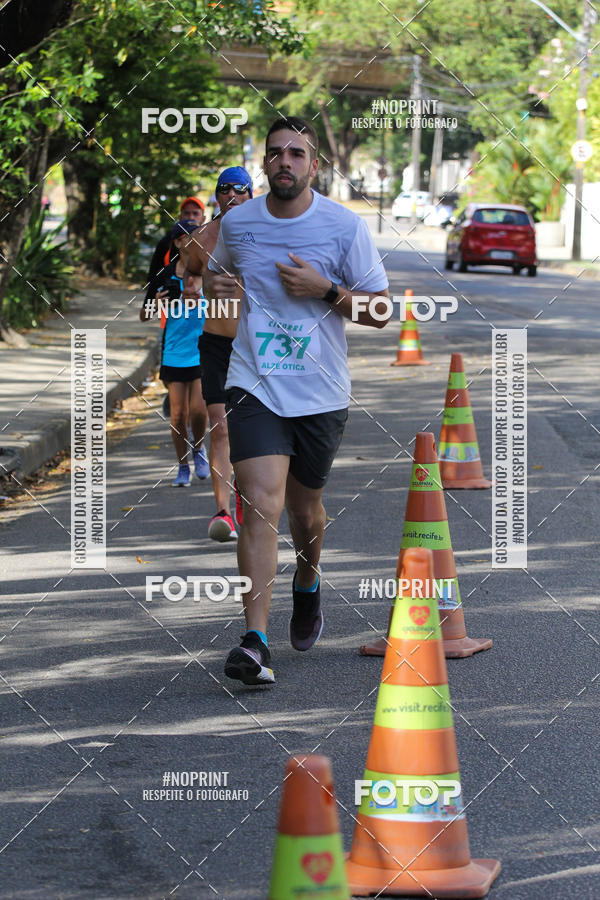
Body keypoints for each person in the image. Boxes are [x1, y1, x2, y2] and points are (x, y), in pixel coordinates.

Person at [204, 116, 390, 685]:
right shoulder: (238, 225)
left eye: (296, 153)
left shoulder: (342, 227)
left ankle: (307, 580)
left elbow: (382, 313)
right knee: (259, 501)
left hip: (320, 392)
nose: (284, 161)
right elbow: (215, 284)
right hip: (253, 383)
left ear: (314, 165)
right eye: (275, 153)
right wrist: (216, 292)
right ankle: (255, 641)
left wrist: (326, 290)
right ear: (264, 163)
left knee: (305, 510)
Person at [185, 166, 253, 542]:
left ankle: (246, 492)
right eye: (225, 189)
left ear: (251, 195)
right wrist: (193, 286)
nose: (232, 195)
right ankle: (223, 511)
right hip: (215, 342)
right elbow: (188, 269)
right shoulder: (203, 238)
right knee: (220, 425)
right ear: (216, 196)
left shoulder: (266, 232)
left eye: (240, 190)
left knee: (250, 425)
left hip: (252, 343)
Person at [141, 219, 209, 486]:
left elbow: (226, 307)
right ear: (179, 242)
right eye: (192, 237)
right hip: (174, 351)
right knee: (178, 415)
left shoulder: (209, 271)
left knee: (199, 411)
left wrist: (201, 300)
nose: (198, 242)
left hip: (202, 350)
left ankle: (199, 448)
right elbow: (144, 315)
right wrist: (157, 304)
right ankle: (183, 466)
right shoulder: (164, 276)